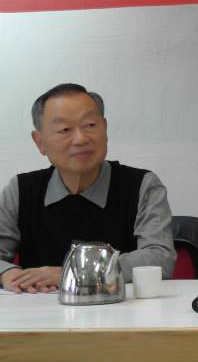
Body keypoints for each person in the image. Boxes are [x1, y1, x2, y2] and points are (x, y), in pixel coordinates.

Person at [0, 83, 176, 293]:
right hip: (36, 312)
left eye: (90, 125)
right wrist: (7, 273)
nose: (81, 139)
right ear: (40, 142)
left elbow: (160, 257)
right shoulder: (21, 190)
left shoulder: (142, 185)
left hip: (119, 309)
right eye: (64, 130)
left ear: (105, 129)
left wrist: (73, 273)